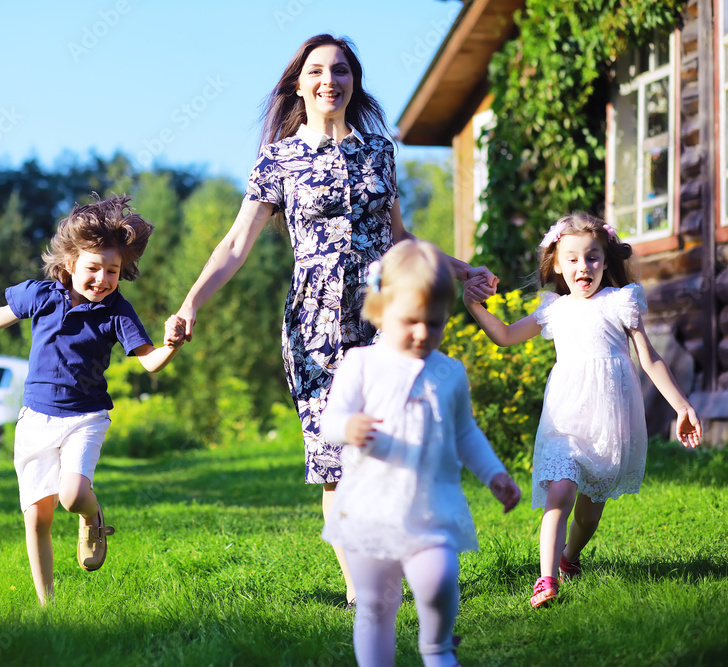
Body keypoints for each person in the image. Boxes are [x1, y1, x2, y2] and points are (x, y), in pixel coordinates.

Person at [163, 34, 497, 608]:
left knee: (390, 446)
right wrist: (191, 301)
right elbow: (237, 243)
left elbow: (399, 240)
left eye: (340, 70)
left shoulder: (379, 153)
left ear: (353, 82)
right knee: (333, 457)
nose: (329, 80)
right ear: (299, 83)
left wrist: (457, 269)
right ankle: (359, 592)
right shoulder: (278, 159)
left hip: (382, 320)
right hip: (314, 327)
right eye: (316, 70)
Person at [0, 195, 183, 605]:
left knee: (71, 495)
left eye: (113, 271)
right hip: (36, 419)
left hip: (86, 417)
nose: (102, 279)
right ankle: (47, 604)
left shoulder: (116, 312)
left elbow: (151, 362)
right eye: (93, 269)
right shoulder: (40, 295)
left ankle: (92, 516)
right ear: (70, 264)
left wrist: (171, 344)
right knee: (37, 517)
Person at [462, 212, 702, 609]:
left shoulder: (620, 302)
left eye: (592, 257)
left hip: (609, 424)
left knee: (588, 516)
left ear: (605, 262)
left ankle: (569, 558)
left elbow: (650, 359)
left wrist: (682, 406)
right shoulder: (553, 311)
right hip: (566, 419)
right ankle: (546, 579)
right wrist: (476, 309)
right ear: (556, 264)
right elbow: (504, 336)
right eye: (571, 258)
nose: (582, 267)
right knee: (561, 491)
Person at [320, 241, 521, 667]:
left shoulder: (448, 372)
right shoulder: (361, 364)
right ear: (379, 310)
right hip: (371, 507)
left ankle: (438, 649)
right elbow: (330, 421)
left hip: (431, 505)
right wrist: (347, 427)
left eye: (434, 323)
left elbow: (465, 432)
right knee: (375, 604)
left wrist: (494, 474)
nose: (421, 333)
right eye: (410, 321)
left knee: (439, 580)